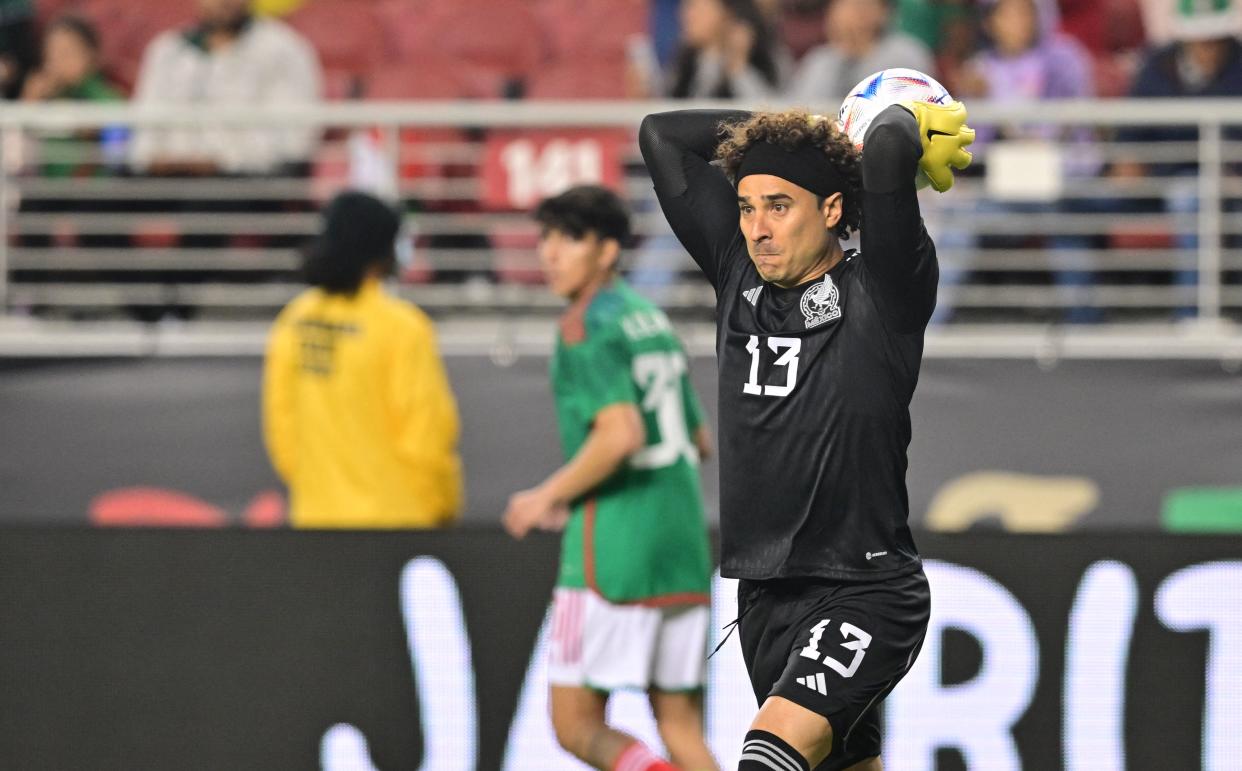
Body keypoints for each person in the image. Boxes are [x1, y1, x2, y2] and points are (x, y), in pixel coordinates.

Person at [638, 93, 973, 767]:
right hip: (765, 594)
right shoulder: (738, 273)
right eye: (746, 206)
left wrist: (882, 124)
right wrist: (794, 126)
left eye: (779, 206)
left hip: (865, 587)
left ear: (832, 209)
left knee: (769, 751)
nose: (758, 227)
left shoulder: (885, 288)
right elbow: (660, 136)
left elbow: (883, 149)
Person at [502, 185, 718, 771]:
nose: (550, 253)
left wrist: (548, 494)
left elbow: (620, 435)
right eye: (546, 237)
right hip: (683, 546)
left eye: (569, 238)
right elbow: (699, 441)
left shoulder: (584, 326)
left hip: (613, 551)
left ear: (606, 251)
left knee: (574, 724)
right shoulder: (650, 319)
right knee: (680, 725)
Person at [262, 190, 463, 528]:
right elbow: (426, 436)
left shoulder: (295, 319)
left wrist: (316, 489)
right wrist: (441, 505)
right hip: (398, 524)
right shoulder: (402, 327)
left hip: (315, 521)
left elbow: (282, 430)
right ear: (384, 249)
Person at [128, 0, 322, 176]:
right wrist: (153, 158)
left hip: (242, 178)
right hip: (166, 175)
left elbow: (292, 136)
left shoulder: (283, 49)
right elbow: (146, 122)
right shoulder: (168, 49)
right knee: (110, 196)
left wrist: (223, 160)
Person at [785, 0, 934, 102]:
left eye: (860, 5)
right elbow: (804, 109)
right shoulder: (819, 60)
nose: (849, 13)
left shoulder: (906, 54)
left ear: (883, 12)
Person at [665, 0, 783, 99]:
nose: (686, 15)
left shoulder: (764, 61)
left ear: (727, 13)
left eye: (696, 5)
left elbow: (767, 113)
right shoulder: (683, 66)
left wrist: (738, 65)